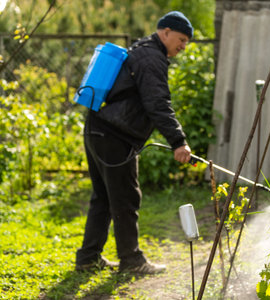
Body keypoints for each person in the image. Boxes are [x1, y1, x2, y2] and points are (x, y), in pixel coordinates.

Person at [75, 11, 193, 274]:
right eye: (181, 39)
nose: (183, 46)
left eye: (186, 42)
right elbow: (157, 103)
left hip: (98, 128)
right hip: (115, 134)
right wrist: (178, 141)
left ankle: (88, 258)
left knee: (103, 197)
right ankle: (131, 260)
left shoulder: (141, 49)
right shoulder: (152, 57)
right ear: (165, 32)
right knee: (126, 197)